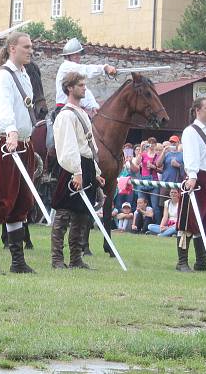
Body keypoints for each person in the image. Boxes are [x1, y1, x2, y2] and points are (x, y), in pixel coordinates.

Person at [0, 31, 36, 274]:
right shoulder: (2, 75)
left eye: (31, 47)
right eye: (26, 47)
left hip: (24, 143)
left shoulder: (25, 75)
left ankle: (17, 261)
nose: (30, 50)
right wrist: (11, 132)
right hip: (6, 142)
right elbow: (3, 107)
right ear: (12, 48)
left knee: (20, 202)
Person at [50, 72, 105, 269]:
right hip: (72, 166)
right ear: (70, 88)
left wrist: (96, 172)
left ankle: (76, 258)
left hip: (86, 165)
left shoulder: (82, 113)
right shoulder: (66, 115)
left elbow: (90, 146)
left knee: (82, 215)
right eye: (80, 85)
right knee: (64, 213)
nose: (84, 88)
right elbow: (69, 145)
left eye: (84, 84)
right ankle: (57, 259)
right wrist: (76, 171)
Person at [178, 96, 206, 272]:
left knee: (204, 222)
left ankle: (201, 261)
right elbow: (191, 155)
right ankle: (182, 261)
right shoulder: (191, 131)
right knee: (189, 221)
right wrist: (192, 176)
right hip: (198, 179)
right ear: (198, 110)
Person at [53, 38, 116, 116]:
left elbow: (85, 91)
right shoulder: (66, 66)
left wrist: (94, 106)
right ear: (68, 56)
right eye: (74, 54)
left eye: (78, 54)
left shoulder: (76, 73)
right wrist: (104, 68)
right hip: (64, 110)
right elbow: (86, 70)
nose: (78, 56)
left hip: (76, 109)